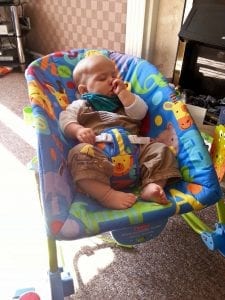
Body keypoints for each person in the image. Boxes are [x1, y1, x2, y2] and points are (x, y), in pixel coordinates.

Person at [59, 54, 181, 210]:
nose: (112, 80)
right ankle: (106, 195)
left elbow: (140, 113)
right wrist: (78, 130)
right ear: (84, 89)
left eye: (114, 75)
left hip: (135, 153)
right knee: (78, 154)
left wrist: (124, 94)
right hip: (99, 156)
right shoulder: (81, 104)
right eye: (103, 78)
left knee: (161, 149)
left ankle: (152, 185)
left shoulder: (126, 100)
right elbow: (65, 120)